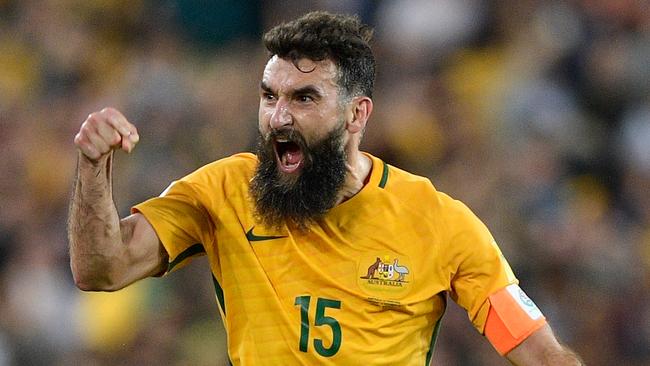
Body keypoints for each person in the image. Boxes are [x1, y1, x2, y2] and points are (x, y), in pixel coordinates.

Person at [68, 11, 583, 365]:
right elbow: (101, 268)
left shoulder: (438, 221)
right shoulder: (222, 191)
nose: (278, 116)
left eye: (305, 97)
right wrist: (93, 167)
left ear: (357, 114)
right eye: (270, 96)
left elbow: (537, 350)